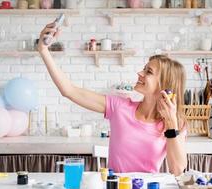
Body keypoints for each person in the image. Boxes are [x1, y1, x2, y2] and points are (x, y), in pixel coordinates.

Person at [38, 23, 187, 176]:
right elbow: (69, 90)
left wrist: (171, 123)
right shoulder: (119, 107)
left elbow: (177, 170)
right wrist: (43, 51)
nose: (140, 73)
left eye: (148, 71)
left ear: (165, 84)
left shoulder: (176, 124)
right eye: (144, 68)